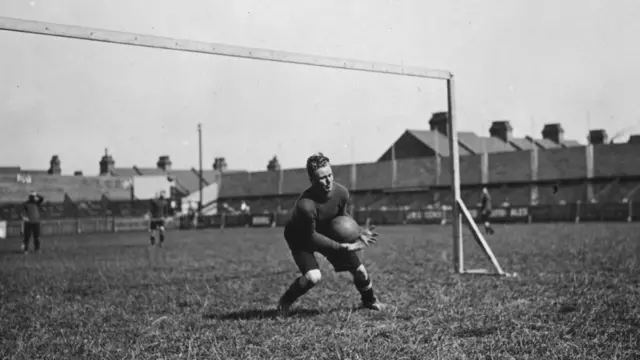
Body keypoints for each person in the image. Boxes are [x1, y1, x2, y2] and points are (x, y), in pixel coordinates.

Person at [277, 153, 382, 317]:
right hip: (301, 238)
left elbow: (342, 218)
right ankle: (285, 301)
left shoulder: (341, 193)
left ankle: (369, 300)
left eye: (330, 175)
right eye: (322, 178)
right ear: (312, 180)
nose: (328, 181)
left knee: (361, 271)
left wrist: (358, 233)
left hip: (325, 232)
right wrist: (342, 248)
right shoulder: (305, 205)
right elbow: (311, 237)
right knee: (313, 277)